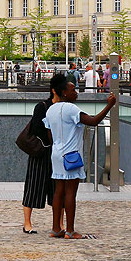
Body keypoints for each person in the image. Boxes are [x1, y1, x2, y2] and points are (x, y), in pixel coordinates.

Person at [43, 77, 116, 240]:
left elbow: (50, 135)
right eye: (73, 90)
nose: (76, 92)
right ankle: (69, 230)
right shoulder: (71, 109)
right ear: (64, 92)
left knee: (58, 191)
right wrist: (109, 105)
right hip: (71, 155)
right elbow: (93, 121)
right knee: (70, 193)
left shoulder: (50, 110)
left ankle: (56, 228)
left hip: (56, 154)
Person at [21, 74, 63, 234]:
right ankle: (27, 223)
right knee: (33, 186)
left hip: (58, 153)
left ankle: (60, 223)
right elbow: (36, 129)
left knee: (58, 189)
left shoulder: (65, 107)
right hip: (41, 152)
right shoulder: (42, 107)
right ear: (55, 90)